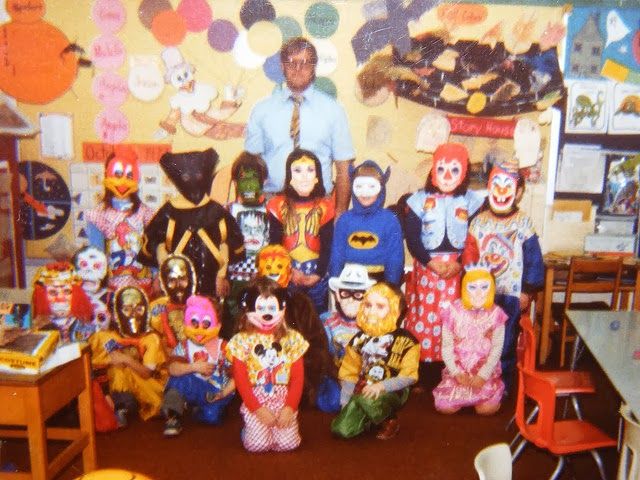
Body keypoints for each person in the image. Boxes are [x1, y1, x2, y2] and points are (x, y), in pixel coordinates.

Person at [245, 36, 355, 217]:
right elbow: (250, 165)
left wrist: (340, 213)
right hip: (271, 204)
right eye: (291, 62)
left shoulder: (333, 110)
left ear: (314, 67)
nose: (298, 69)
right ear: (282, 66)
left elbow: (344, 169)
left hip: (319, 206)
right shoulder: (261, 110)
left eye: (305, 63)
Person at [462, 158, 544, 393]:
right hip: (481, 294)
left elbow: (534, 259)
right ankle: (480, 382)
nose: (500, 191)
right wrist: (467, 289)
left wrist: (528, 291)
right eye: (495, 184)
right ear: (488, 187)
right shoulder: (478, 222)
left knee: (506, 341)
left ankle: (503, 385)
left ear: (518, 193)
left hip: (511, 293)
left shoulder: (524, 223)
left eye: (507, 186)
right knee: (480, 339)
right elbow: (469, 257)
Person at [403, 143, 485, 366]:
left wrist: (460, 263)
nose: (447, 175)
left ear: (464, 173)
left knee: (454, 318)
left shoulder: (472, 202)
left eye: (455, 169)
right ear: (433, 170)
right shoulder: (419, 200)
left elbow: (474, 237)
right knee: (424, 316)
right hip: (427, 267)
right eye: (441, 169)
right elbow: (412, 239)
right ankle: (422, 364)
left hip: (458, 270)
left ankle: (451, 365)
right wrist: (430, 263)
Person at [138, 148, 245, 299]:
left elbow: (228, 243)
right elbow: (155, 243)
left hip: (212, 285)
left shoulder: (217, 212)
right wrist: (159, 274)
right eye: (187, 177)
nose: (194, 181)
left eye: (199, 175)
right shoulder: (168, 211)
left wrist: (222, 276)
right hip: (177, 285)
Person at [226, 278, 309, 452]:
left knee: (288, 445)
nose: (266, 314)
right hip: (256, 399)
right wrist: (257, 409)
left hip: (283, 398)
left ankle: (273, 429)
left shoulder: (292, 339)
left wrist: (290, 407)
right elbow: (241, 380)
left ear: (282, 308)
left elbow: (298, 378)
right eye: (260, 308)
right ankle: (248, 429)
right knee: (257, 446)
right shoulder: (242, 341)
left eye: (272, 308)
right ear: (248, 309)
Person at [331, 282, 419, 440]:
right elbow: (349, 373)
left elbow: (410, 376)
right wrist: (345, 402)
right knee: (341, 429)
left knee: (368, 400)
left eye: (380, 307)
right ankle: (371, 417)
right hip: (364, 389)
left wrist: (382, 386)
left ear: (395, 310)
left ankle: (389, 420)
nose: (372, 311)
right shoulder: (359, 339)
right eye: (368, 305)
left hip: (393, 390)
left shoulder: (408, 341)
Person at [433, 264, 507, 415]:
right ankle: (462, 396)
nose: (479, 293)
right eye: (472, 287)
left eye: (484, 287)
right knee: (444, 408)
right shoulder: (452, 312)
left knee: (486, 410)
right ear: (464, 287)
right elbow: (446, 347)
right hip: (459, 370)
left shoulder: (497, 314)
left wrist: (483, 375)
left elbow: (497, 348)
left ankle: (482, 397)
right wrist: (456, 372)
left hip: (483, 369)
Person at [266, 149, 334, 314]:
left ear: (317, 176)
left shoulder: (325, 207)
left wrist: (318, 274)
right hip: (288, 273)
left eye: (310, 170)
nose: (304, 176)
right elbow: (274, 246)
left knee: (316, 317)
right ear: (289, 177)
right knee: (289, 316)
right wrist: (288, 270)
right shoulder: (277, 205)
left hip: (318, 275)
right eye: (297, 170)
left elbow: (327, 246)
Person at [89, 286, 167, 426]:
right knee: (116, 369)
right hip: (116, 387)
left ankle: (129, 406)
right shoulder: (105, 337)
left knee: (124, 367)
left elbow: (147, 373)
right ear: (116, 313)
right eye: (127, 309)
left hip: (147, 385)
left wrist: (126, 359)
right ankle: (122, 407)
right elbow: (97, 368)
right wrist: (106, 395)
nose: (133, 315)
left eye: (138, 309)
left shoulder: (151, 338)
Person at [162, 295, 235, 436]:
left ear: (218, 325)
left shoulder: (225, 347)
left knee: (211, 417)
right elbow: (172, 369)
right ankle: (172, 416)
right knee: (180, 380)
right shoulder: (184, 345)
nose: (200, 329)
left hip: (217, 391)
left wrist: (223, 393)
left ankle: (201, 410)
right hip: (192, 385)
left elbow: (237, 375)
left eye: (206, 324)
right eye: (194, 323)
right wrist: (194, 367)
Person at [85, 146, 154, 293]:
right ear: (106, 175)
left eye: (129, 176)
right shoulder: (98, 215)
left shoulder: (146, 213)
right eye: (117, 174)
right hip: (112, 287)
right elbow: (96, 253)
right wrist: (95, 282)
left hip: (143, 285)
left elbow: (152, 250)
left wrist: (157, 277)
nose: (122, 181)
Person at [329, 160, 404, 285]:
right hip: (347, 280)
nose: (365, 193)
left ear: (381, 188)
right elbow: (337, 254)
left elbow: (395, 257)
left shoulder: (390, 220)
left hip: (378, 281)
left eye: (371, 186)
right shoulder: (345, 220)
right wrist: (335, 282)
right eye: (359, 186)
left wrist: (391, 287)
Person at [224, 152, 271, 337]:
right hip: (234, 279)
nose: (249, 185)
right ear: (235, 182)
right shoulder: (227, 211)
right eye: (244, 179)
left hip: (263, 280)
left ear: (264, 181)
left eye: (255, 179)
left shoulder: (272, 210)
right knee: (233, 327)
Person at [322, 263, 376, 366]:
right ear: (337, 295)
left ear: (366, 297)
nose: (351, 300)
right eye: (345, 294)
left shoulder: (374, 323)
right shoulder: (326, 320)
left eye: (358, 295)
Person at [148, 254, 196, 352]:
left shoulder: (201, 304)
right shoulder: (155, 308)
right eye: (172, 280)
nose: (178, 285)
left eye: (182, 279)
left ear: (191, 279)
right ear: (164, 283)